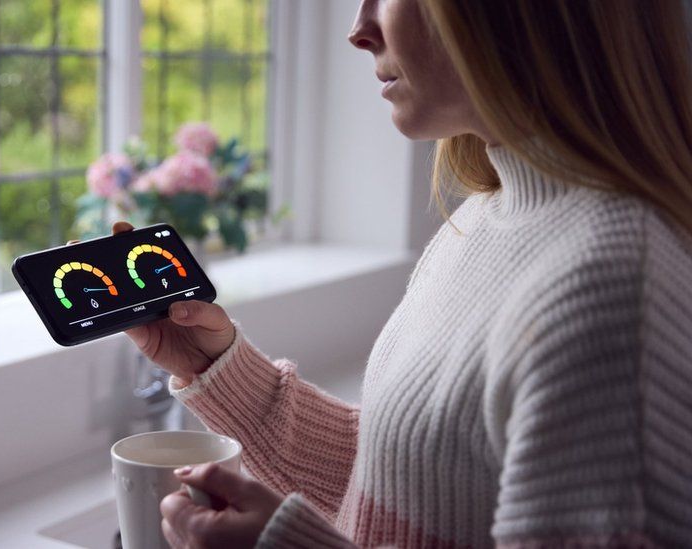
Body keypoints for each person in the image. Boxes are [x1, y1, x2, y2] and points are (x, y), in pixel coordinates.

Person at [104, 1, 692, 547]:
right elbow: (415, 481)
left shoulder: (610, 288)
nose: (360, 30)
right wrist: (216, 368)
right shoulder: (491, 215)